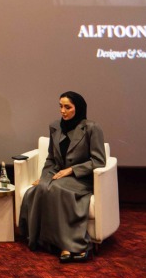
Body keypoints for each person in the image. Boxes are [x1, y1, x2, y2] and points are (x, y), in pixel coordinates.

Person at [18, 91, 106, 263]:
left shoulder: (92, 128)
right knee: (39, 189)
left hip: (81, 179)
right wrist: (45, 178)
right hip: (58, 175)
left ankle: (75, 245)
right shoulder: (55, 126)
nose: (63, 111)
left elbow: (99, 161)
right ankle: (46, 241)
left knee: (56, 189)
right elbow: (51, 158)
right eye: (61, 106)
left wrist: (72, 170)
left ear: (78, 108)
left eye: (68, 107)